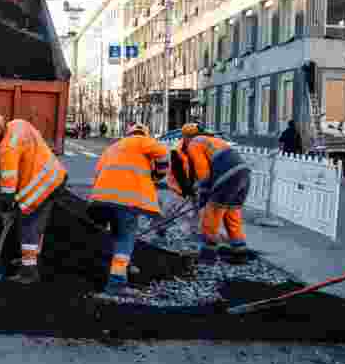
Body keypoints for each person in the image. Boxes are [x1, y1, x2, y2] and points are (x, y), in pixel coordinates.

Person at [0, 111, 67, 284]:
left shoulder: (6, 149)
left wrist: (6, 208)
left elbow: (8, 185)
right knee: (38, 224)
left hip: (40, 188)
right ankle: (33, 259)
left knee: (27, 224)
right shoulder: (18, 124)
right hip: (55, 177)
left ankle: (29, 271)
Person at [88, 123, 168, 295]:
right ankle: (116, 283)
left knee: (116, 233)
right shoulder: (142, 141)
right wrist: (159, 174)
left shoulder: (114, 147)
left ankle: (123, 265)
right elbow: (162, 151)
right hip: (126, 201)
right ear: (143, 134)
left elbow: (97, 171)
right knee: (126, 237)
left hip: (101, 199)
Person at [178, 122, 251, 264]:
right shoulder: (214, 140)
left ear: (187, 137)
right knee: (232, 214)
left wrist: (204, 195)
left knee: (212, 213)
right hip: (244, 175)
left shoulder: (194, 143)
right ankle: (240, 251)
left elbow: (203, 172)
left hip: (227, 177)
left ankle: (208, 254)